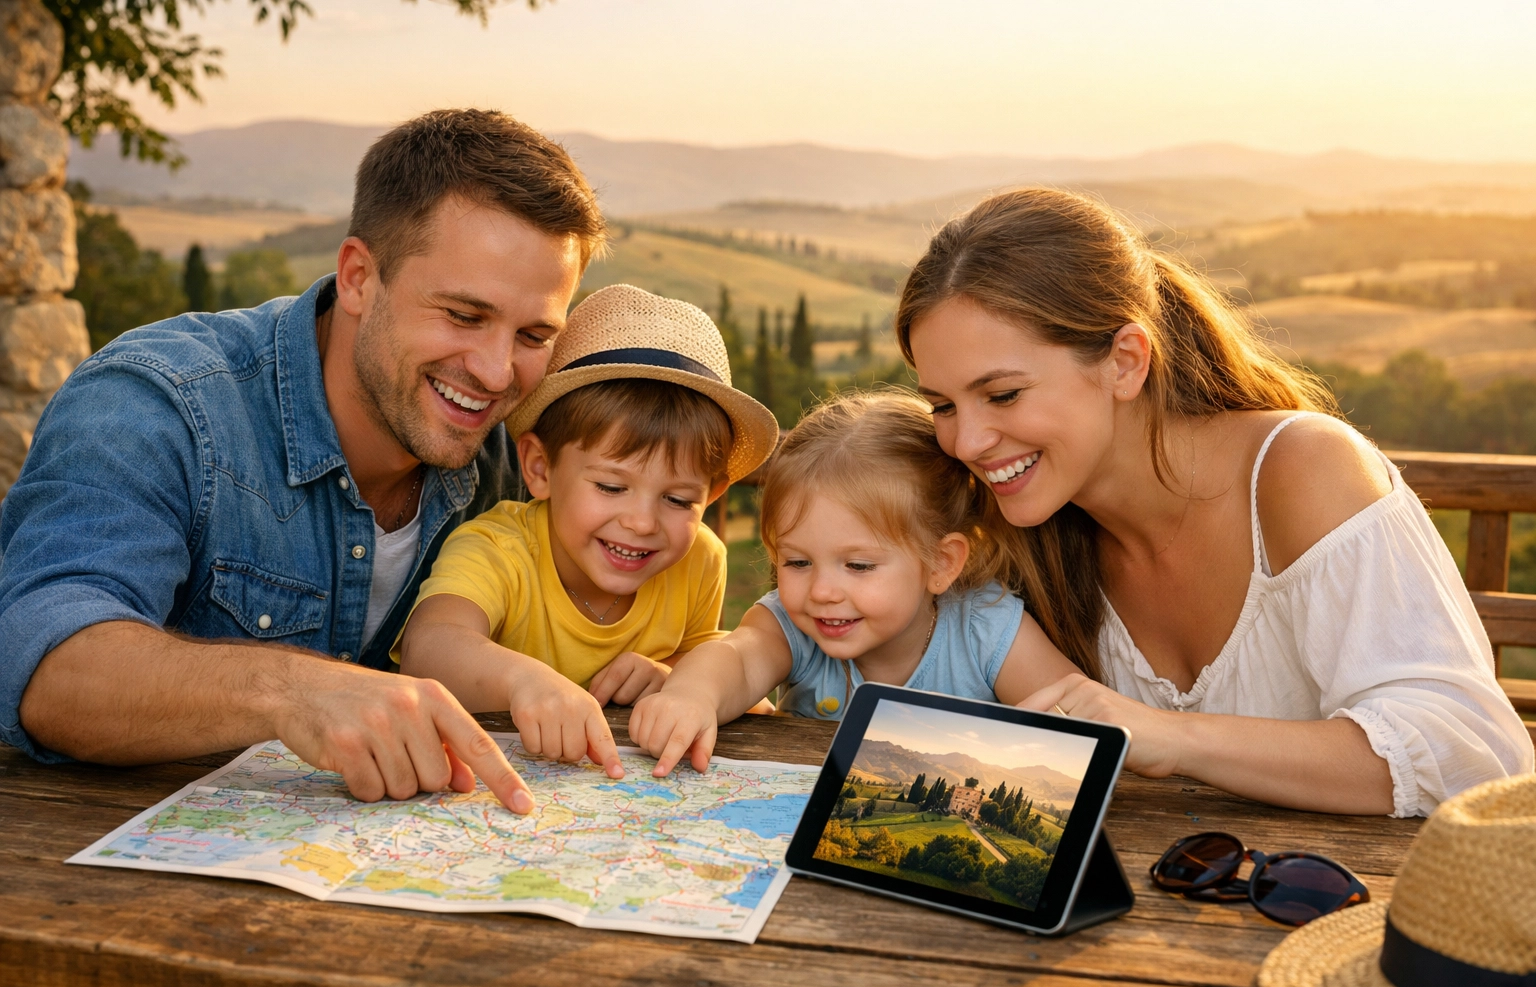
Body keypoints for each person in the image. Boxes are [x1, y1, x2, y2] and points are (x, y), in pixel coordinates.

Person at [0, 109, 607, 813]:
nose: (498, 372)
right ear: (357, 278)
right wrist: (291, 692)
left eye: (534, 334)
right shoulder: (158, 402)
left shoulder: (513, 459)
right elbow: (40, 661)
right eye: (464, 316)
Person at [899, 186, 1534, 817]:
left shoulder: (1302, 470)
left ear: (1125, 361)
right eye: (944, 406)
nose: (968, 441)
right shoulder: (1021, 531)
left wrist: (1168, 736)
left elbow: (1473, 756)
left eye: (1004, 394)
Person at [395, 285, 778, 778]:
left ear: (714, 495)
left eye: (678, 500)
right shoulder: (497, 548)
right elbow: (430, 648)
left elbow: (703, 655)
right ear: (539, 468)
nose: (642, 523)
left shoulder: (699, 558)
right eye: (611, 486)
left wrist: (674, 676)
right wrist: (523, 682)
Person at [630, 391, 1079, 776]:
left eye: (859, 566)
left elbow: (1075, 723)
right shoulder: (793, 626)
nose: (822, 591)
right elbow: (737, 658)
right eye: (798, 561)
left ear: (941, 563)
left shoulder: (985, 630)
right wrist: (692, 695)